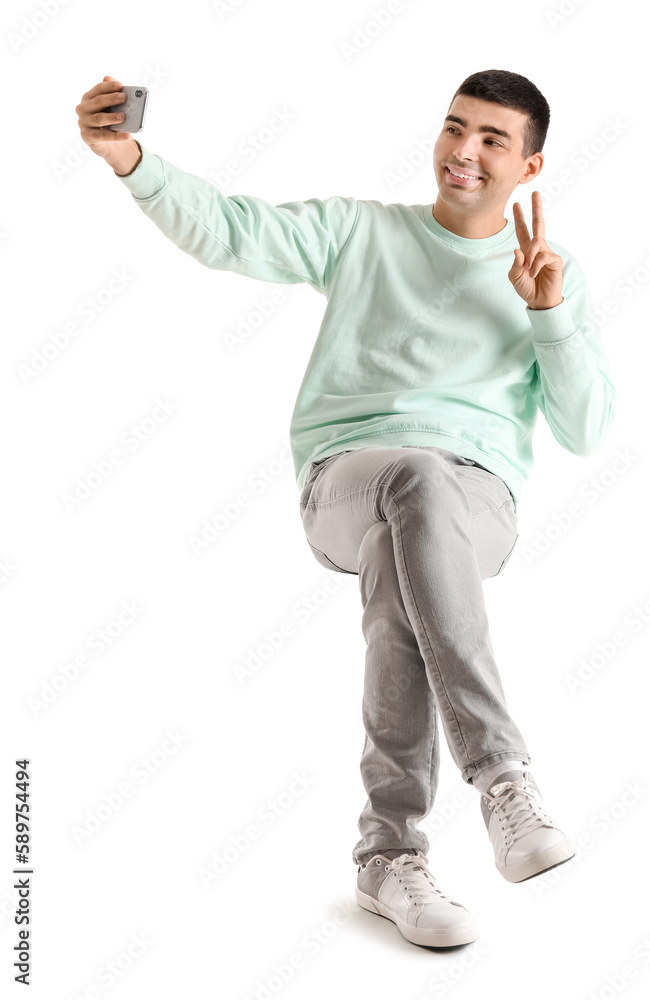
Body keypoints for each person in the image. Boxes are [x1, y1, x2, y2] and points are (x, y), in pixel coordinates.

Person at [75, 68, 615, 950]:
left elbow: (587, 429)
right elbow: (230, 232)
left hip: (479, 498)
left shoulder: (547, 275)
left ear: (532, 166)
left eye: (491, 140)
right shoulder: (361, 231)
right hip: (349, 477)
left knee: (406, 563)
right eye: (454, 128)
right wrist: (131, 158)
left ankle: (388, 856)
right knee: (410, 483)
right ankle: (503, 781)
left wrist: (548, 313)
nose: (464, 152)